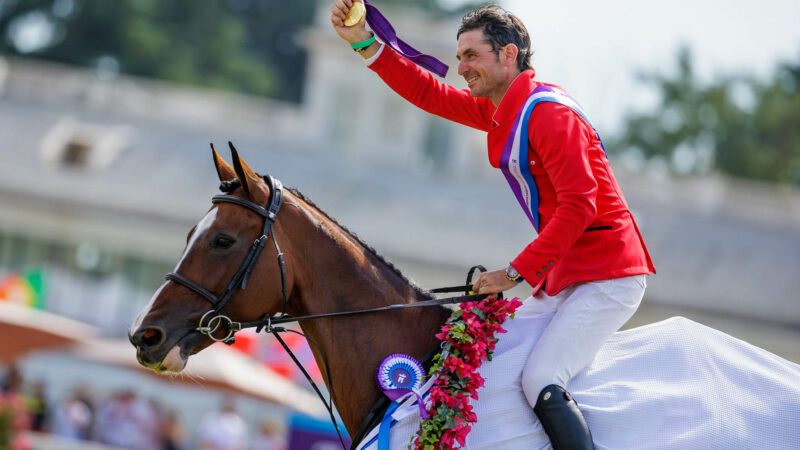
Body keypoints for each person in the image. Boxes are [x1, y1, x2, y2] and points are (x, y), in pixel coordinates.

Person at [330, 2, 656, 449]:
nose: (461, 67)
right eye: (460, 56)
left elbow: (581, 206)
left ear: (508, 55)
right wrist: (365, 42)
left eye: (471, 56)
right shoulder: (507, 108)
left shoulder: (549, 114)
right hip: (569, 276)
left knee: (542, 376)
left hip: (608, 274)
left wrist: (513, 273)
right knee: (497, 366)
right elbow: (429, 94)